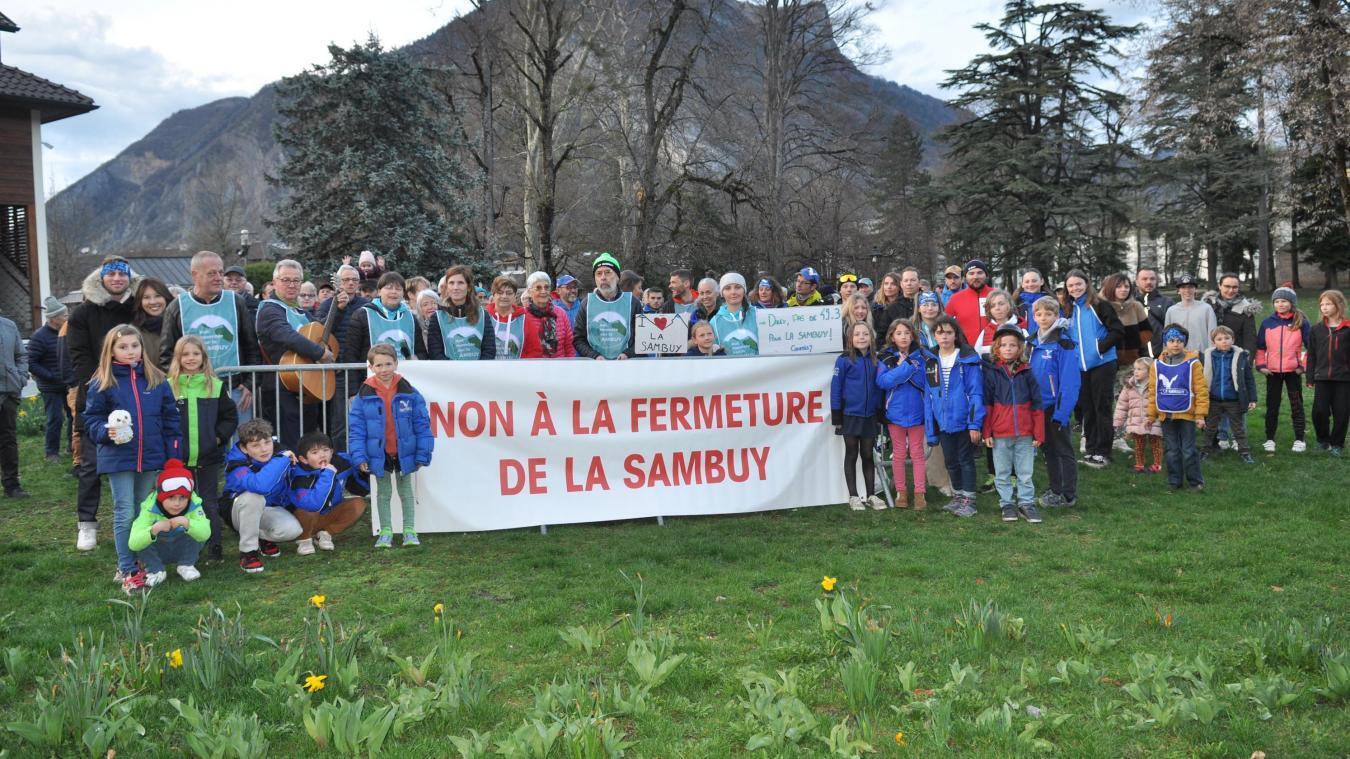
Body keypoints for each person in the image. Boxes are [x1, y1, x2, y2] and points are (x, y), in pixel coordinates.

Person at [84, 324, 183, 593]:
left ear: (142, 347)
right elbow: (90, 420)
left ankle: (141, 560)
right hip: (119, 459)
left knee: (143, 512)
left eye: (134, 346)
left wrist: (173, 458)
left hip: (151, 458)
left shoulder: (156, 379)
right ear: (111, 350)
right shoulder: (102, 382)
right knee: (124, 512)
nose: (130, 351)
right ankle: (127, 568)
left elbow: (171, 420)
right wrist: (106, 431)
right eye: (123, 347)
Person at [69, 256, 142, 550]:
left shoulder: (138, 308)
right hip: (97, 393)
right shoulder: (83, 314)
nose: (116, 279)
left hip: (137, 389)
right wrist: (101, 384)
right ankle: (87, 523)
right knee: (91, 463)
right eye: (110, 274)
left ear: (129, 278)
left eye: (121, 275)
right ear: (101, 279)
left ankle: (136, 518)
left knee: (138, 459)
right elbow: (78, 355)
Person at [158, 251, 260, 437]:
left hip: (235, 389)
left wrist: (250, 384)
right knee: (205, 444)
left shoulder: (236, 302)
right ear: (195, 275)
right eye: (212, 273)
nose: (219, 278)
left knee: (241, 447)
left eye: (221, 273)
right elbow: (167, 355)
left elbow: (251, 345)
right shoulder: (177, 307)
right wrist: (180, 387)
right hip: (195, 392)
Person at [349, 343, 434, 547]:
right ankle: (385, 531)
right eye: (379, 365)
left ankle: (409, 531)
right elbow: (356, 428)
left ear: (396, 363)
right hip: (379, 454)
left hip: (405, 452)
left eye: (388, 364)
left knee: (406, 492)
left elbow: (422, 424)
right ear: (371, 367)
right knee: (383, 493)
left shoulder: (410, 392)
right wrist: (359, 456)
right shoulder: (363, 395)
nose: (384, 369)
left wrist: (423, 453)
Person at [167, 335, 238, 563]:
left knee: (208, 501)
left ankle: (215, 545)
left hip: (209, 456)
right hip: (179, 459)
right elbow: (162, 420)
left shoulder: (215, 386)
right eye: (185, 354)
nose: (190, 358)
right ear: (178, 358)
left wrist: (217, 438)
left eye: (195, 354)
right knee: (183, 501)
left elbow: (229, 416)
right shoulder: (169, 387)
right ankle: (186, 548)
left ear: (204, 357)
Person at [255, 260, 338, 448]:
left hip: (305, 388)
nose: (291, 285)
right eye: (286, 280)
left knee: (307, 445)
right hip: (281, 388)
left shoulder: (302, 312)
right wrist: (319, 353)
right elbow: (287, 336)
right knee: (288, 446)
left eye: (296, 280)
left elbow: (319, 335)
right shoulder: (269, 309)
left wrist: (337, 310)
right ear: (274, 282)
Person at [1061, 269, 1124, 469]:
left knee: (1102, 407)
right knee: (1087, 409)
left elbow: (1117, 330)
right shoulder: (1068, 309)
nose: (1075, 288)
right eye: (1071, 285)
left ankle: (1103, 452)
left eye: (1078, 284)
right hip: (1080, 367)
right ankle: (1091, 450)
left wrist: (1100, 348)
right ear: (1067, 289)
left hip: (1103, 363)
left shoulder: (1099, 305)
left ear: (1087, 284)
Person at [923, 315, 984, 517]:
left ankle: (970, 500)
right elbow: (929, 397)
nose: (945, 336)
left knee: (965, 460)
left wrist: (974, 423)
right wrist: (931, 430)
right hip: (943, 422)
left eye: (949, 332)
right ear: (934, 336)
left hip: (963, 420)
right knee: (951, 461)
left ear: (956, 335)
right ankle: (958, 496)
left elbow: (975, 392)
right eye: (940, 333)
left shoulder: (968, 358)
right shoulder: (930, 361)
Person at [982, 325, 1044, 523]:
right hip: (1000, 433)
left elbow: (1037, 404)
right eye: (1004, 345)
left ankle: (1026, 503)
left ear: (1020, 349)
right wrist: (987, 432)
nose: (1008, 349)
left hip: (1025, 433)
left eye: (1013, 345)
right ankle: (1007, 504)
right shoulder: (992, 373)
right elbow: (988, 405)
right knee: (1002, 472)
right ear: (996, 348)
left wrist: (1039, 433)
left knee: (1025, 472)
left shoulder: (1027, 373)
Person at [223, 418, 301, 573]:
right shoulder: (235, 464)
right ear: (245, 448)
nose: (264, 449)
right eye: (255, 445)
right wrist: (281, 460)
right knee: (254, 497)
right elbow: (261, 486)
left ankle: (262, 538)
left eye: (267, 442)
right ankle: (248, 552)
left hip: (269, 508)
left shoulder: (281, 453)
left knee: (293, 531)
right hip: (238, 512)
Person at [1028, 296, 1082, 507]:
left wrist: (1062, 412)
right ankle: (1055, 489)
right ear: (1034, 316)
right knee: (1048, 450)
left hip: (1055, 407)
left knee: (1063, 450)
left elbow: (1069, 382)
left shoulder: (1063, 343)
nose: (1044, 318)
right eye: (1039, 314)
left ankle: (1068, 494)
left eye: (1049, 314)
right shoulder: (1031, 342)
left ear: (1056, 315)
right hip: (1038, 407)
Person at [127, 460, 211, 586]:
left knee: (197, 528)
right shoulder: (149, 508)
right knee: (144, 535)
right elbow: (133, 544)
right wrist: (153, 531)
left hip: (182, 547)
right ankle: (156, 570)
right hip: (159, 550)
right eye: (171, 497)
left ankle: (186, 565)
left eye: (182, 498)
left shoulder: (194, 504)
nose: (177, 504)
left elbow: (205, 534)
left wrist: (188, 523)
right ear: (161, 496)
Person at [288, 431, 370, 555]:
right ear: (303, 459)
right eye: (315, 452)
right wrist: (328, 474)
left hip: (329, 514)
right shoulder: (298, 475)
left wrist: (363, 472)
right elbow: (313, 505)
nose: (322, 455)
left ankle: (325, 534)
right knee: (308, 511)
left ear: (332, 452)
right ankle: (304, 539)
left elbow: (361, 488)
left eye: (325, 450)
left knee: (358, 504)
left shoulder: (342, 462)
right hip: (304, 519)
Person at [1148, 325, 1209, 490]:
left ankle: (1196, 482)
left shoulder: (1193, 364)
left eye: (1179, 341)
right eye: (1171, 340)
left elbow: (1201, 390)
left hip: (1187, 415)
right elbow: (1153, 391)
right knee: (1172, 450)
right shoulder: (1156, 365)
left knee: (1189, 450)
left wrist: (1200, 415)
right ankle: (1174, 481)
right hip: (1165, 415)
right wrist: (1151, 415)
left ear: (1184, 343)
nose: (1175, 344)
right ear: (1165, 342)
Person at [832, 322, 884, 510]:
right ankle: (853, 496)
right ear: (850, 339)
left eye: (865, 334)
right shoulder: (844, 360)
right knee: (852, 453)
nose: (861, 337)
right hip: (849, 415)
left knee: (868, 454)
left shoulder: (876, 360)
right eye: (857, 335)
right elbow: (835, 388)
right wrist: (837, 416)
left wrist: (879, 414)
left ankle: (871, 495)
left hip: (869, 416)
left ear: (871, 337)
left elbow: (879, 389)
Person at [877, 320, 927, 510]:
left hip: (917, 412)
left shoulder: (922, 356)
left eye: (907, 333)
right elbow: (883, 382)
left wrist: (903, 369)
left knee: (917, 453)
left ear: (912, 336)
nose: (903, 337)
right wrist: (907, 367)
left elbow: (924, 380)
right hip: (895, 413)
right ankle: (901, 493)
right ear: (892, 336)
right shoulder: (885, 357)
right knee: (898, 453)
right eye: (899, 333)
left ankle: (920, 493)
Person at [1256, 287, 1311, 453]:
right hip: (1272, 373)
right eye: (1277, 301)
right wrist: (1261, 366)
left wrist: (1303, 367)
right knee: (1272, 406)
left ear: (1291, 303)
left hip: (1293, 372)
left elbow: (1311, 348)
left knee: (1296, 405)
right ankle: (1270, 439)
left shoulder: (1300, 322)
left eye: (1284, 301)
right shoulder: (1267, 323)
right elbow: (1260, 348)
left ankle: (1300, 439)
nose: (1280, 304)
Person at [342, 271, 426, 364]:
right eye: (389, 288)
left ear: (403, 293)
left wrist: (418, 359)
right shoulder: (362, 315)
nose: (394, 292)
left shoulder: (411, 317)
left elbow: (420, 351)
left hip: (406, 375)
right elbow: (350, 353)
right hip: (371, 375)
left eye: (398, 289)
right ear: (379, 291)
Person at [1201, 325, 1257, 464]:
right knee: (1210, 428)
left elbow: (1249, 379)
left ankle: (1244, 452)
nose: (1224, 341)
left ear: (1233, 339)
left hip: (1233, 400)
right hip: (1213, 399)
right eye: (1220, 339)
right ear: (1214, 342)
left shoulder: (1241, 356)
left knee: (1238, 428)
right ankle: (1205, 451)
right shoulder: (1207, 357)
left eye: (1227, 338)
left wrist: (1252, 398)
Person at [28, 297, 71, 463]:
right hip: (50, 386)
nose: (68, 318)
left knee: (74, 417)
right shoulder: (39, 337)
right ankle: (51, 453)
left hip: (68, 384)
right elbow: (31, 362)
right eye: (65, 315)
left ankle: (72, 447)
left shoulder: (67, 333)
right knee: (55, 419)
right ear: (54, 318)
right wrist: (51, 376)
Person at [574, 253, 640, 360]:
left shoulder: (633, 302)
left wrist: (628, 353)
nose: (603, 278)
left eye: (608, 272)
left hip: (626, 364)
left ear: (618, 277)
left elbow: (641, 339)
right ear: (595, 279)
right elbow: (578, 339)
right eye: (599, 274)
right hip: (596, 366)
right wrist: (594, 355)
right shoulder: (586, 303)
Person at [1307, 289, 1349, 456]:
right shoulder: (1316, 330)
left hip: (1344, 379)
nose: (1324, 307)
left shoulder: (1348, 328)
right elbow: (1311, 355)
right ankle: (1323, 440)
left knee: (1342, 412)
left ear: (1338, 305)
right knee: (1319, 411)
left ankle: (1337, 443)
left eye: (1328, 304)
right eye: (1322, 304)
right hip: (1322, 377)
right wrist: (1310, 377)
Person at [427, 265, 497, 361]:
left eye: (460, 283)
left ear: (468, 287)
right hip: (448, 373)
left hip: (478, 372)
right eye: (451, 283)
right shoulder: (438, 317)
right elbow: (435, 352)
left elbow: (489, 349)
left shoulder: (483, 315)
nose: (455, 287)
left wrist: (478, 369)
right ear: (447, 287)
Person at [1114, 358, 1163, 474]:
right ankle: (1139, 465)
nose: (1136, 372)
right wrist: (1118, 422)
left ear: (1150, 371)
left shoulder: (1156, 385)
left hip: (1153, 420)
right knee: (1139, 444)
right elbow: (1122, 404)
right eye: (1135, 369)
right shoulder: (1129, 386)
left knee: (1155, 443)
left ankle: (1157, 464)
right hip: (1135, 421)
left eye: (1140, 369)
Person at [0, 313, 27, 498]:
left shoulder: (8, 325)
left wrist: (20, 377)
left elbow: (21, 355)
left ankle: (12, 485)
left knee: (8, 441)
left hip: (7, 392)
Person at [314, 265, 368, 358]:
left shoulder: (366, 305)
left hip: (359, 359)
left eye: (355, 280)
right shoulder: (326, 305)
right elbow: (319, 332)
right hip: (335, 358)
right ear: (338, 283)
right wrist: (338, 310)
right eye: (346, 279)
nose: (351, 283)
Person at [1098, 273, 1150, 367]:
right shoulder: (1100, 307)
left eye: (1127, 286)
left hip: (1133, 361)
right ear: (1111, 287)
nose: (1124, 289)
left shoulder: (1136, 306)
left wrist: (1135, 347)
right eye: (1119, 286)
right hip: (1106, 361)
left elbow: (1147, 331)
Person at [521, 272, 577, 359]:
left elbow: (569, 346)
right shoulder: (523, 316)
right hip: (533, 368)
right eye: (538, 288)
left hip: (560, 367)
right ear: (529, 292)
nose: (543, 291)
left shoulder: (561, 313)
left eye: (546, 287)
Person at [1205, 273, 1261, 353]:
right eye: (1227, 286)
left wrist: (1246, 360)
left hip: (1235, 357)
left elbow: (1250, 339)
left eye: (1235, 287)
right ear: (1220, 286)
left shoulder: (1245, 309)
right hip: (1209, 355)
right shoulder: (1208, 305)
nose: (1231, 290)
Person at [944, 259, 994, 343]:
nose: (975, 277)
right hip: (967, 352)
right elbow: (945, 325)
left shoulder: (997, 295)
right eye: (971, 273)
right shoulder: (955, 299)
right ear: (965, 277)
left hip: (995, 349)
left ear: (986, 275)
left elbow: (1013, 320)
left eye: (980, 272)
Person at [710, 273, 759, 356]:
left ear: (744, 290)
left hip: (761, 367)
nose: (733, 292)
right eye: (727, 288)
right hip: (730, 368)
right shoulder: (714, 322)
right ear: (722, 293)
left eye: (738, 287)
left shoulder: (758, 314)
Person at [1163, 274, 1215, 352]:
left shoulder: (1206, 308)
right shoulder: (1171, 311)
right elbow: (1167, 335)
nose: (1187, 290)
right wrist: (1166, 354)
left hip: (1201, 354)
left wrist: (1211, 354)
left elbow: (1212, 333)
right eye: (1183, 287)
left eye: (1190, 287)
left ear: (1195, 289)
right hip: (1179, 356)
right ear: (1178, 291)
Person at [131, 278, 172, 375]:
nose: (153, 302)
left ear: (166, 297)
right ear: (140, 302)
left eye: (158, 296)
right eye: (146, 297)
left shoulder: (179, 325)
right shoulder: (133, 332)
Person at [971, 289, 1024, 357]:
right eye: (993, 306)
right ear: (989, 310)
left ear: (1010, 305)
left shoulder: (1021, 329)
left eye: (1001, 304)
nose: (997, 308)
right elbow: (978, 356)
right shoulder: (985, 332)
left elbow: (1027, 356)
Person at [1134, 267, 1173, 359]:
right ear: (1137, 282)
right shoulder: (1130, 303)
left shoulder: (1166, 302)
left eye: (1152, 279)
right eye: (1144, 279)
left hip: (1162, 356)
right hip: (1137, 359)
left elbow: (1173, 329)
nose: (1148, 282)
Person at [486, 276, 526, 359]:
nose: (504, 296)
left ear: (515, 295)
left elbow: (533, 351)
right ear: (493, 295)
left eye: (509, 293)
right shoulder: (483, 318)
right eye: (500, 292)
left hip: (517, 370)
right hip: (487, 370)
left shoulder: (525, 319)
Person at [876, 267, 921, 339]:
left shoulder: (928, 304)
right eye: (906, 280)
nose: (909, 283)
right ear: (901, 284)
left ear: (919, 283)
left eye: (913, 280)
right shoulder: (892, 308)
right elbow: (882, 335)